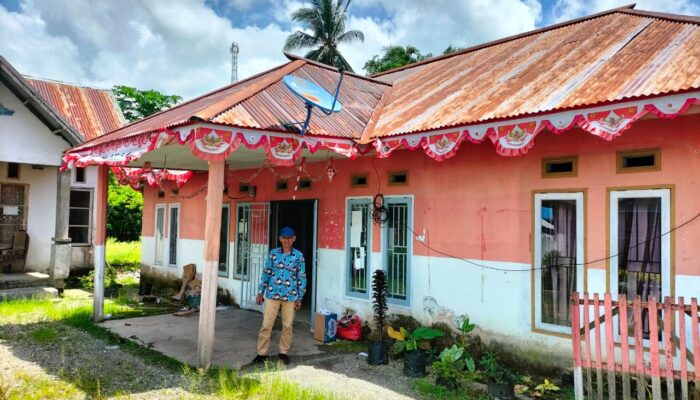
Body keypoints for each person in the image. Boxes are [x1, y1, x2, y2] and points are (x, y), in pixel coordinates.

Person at [252, 226, 307, 365]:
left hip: (291, 296)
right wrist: (260, 292)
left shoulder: (299, 256)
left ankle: (283, 353)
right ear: (280, 239)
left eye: (289, 238)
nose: (286, 241)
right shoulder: (273, 254)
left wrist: (300, 297)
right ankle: (261, 354)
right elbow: (267, 273)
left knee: (287, 326)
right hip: (272, 294)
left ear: (294, 239)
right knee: (266, 325)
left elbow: (301, 276)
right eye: (284, 238)